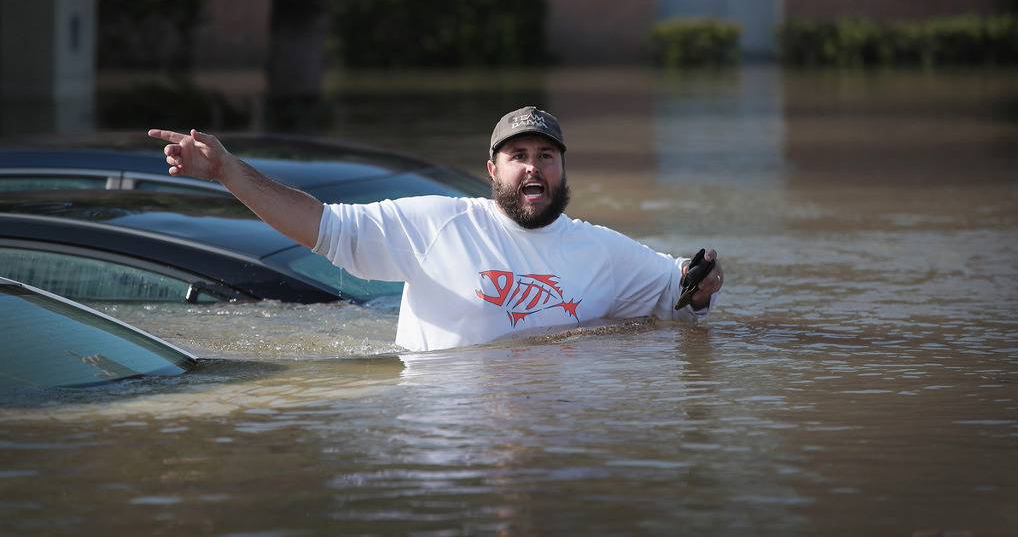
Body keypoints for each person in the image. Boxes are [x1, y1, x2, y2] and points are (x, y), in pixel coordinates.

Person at [149, 106, 724, 351]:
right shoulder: (438, 223)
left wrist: (703, 282)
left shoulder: (599, 248)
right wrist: (228, 171)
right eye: (518, 154)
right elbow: (321, 228)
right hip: (445, 439)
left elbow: (679, 287)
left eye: (546, 155)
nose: (533, 166)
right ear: (492, 169)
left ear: (562, 169)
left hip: (549, 442)